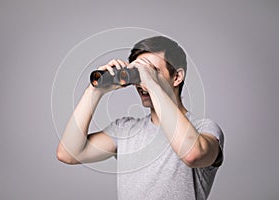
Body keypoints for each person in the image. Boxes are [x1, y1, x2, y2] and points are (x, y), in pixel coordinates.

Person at [56, 36, 224, 200]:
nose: (142, 81)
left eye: (153, 71)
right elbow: (68, 154)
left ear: (177, 77)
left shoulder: (203, 129)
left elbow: (192, 154)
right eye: (139, 74)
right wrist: (95, 91)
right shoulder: (125, 129)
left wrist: (151, 83)